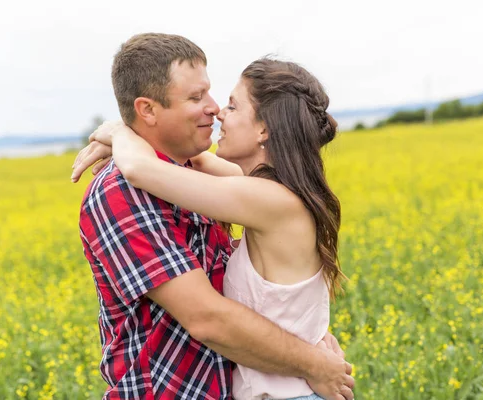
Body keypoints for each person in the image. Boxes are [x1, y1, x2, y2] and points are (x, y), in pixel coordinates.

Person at [73, 33, 354, 400]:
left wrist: (118, 131)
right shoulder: (129, 190)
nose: (216, 108)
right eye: (195, 97)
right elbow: (208, 316)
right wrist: (312, 357)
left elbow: (147, 167)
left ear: (264, 130)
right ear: (148, 109)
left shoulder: (257, 194)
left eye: (231, 105)